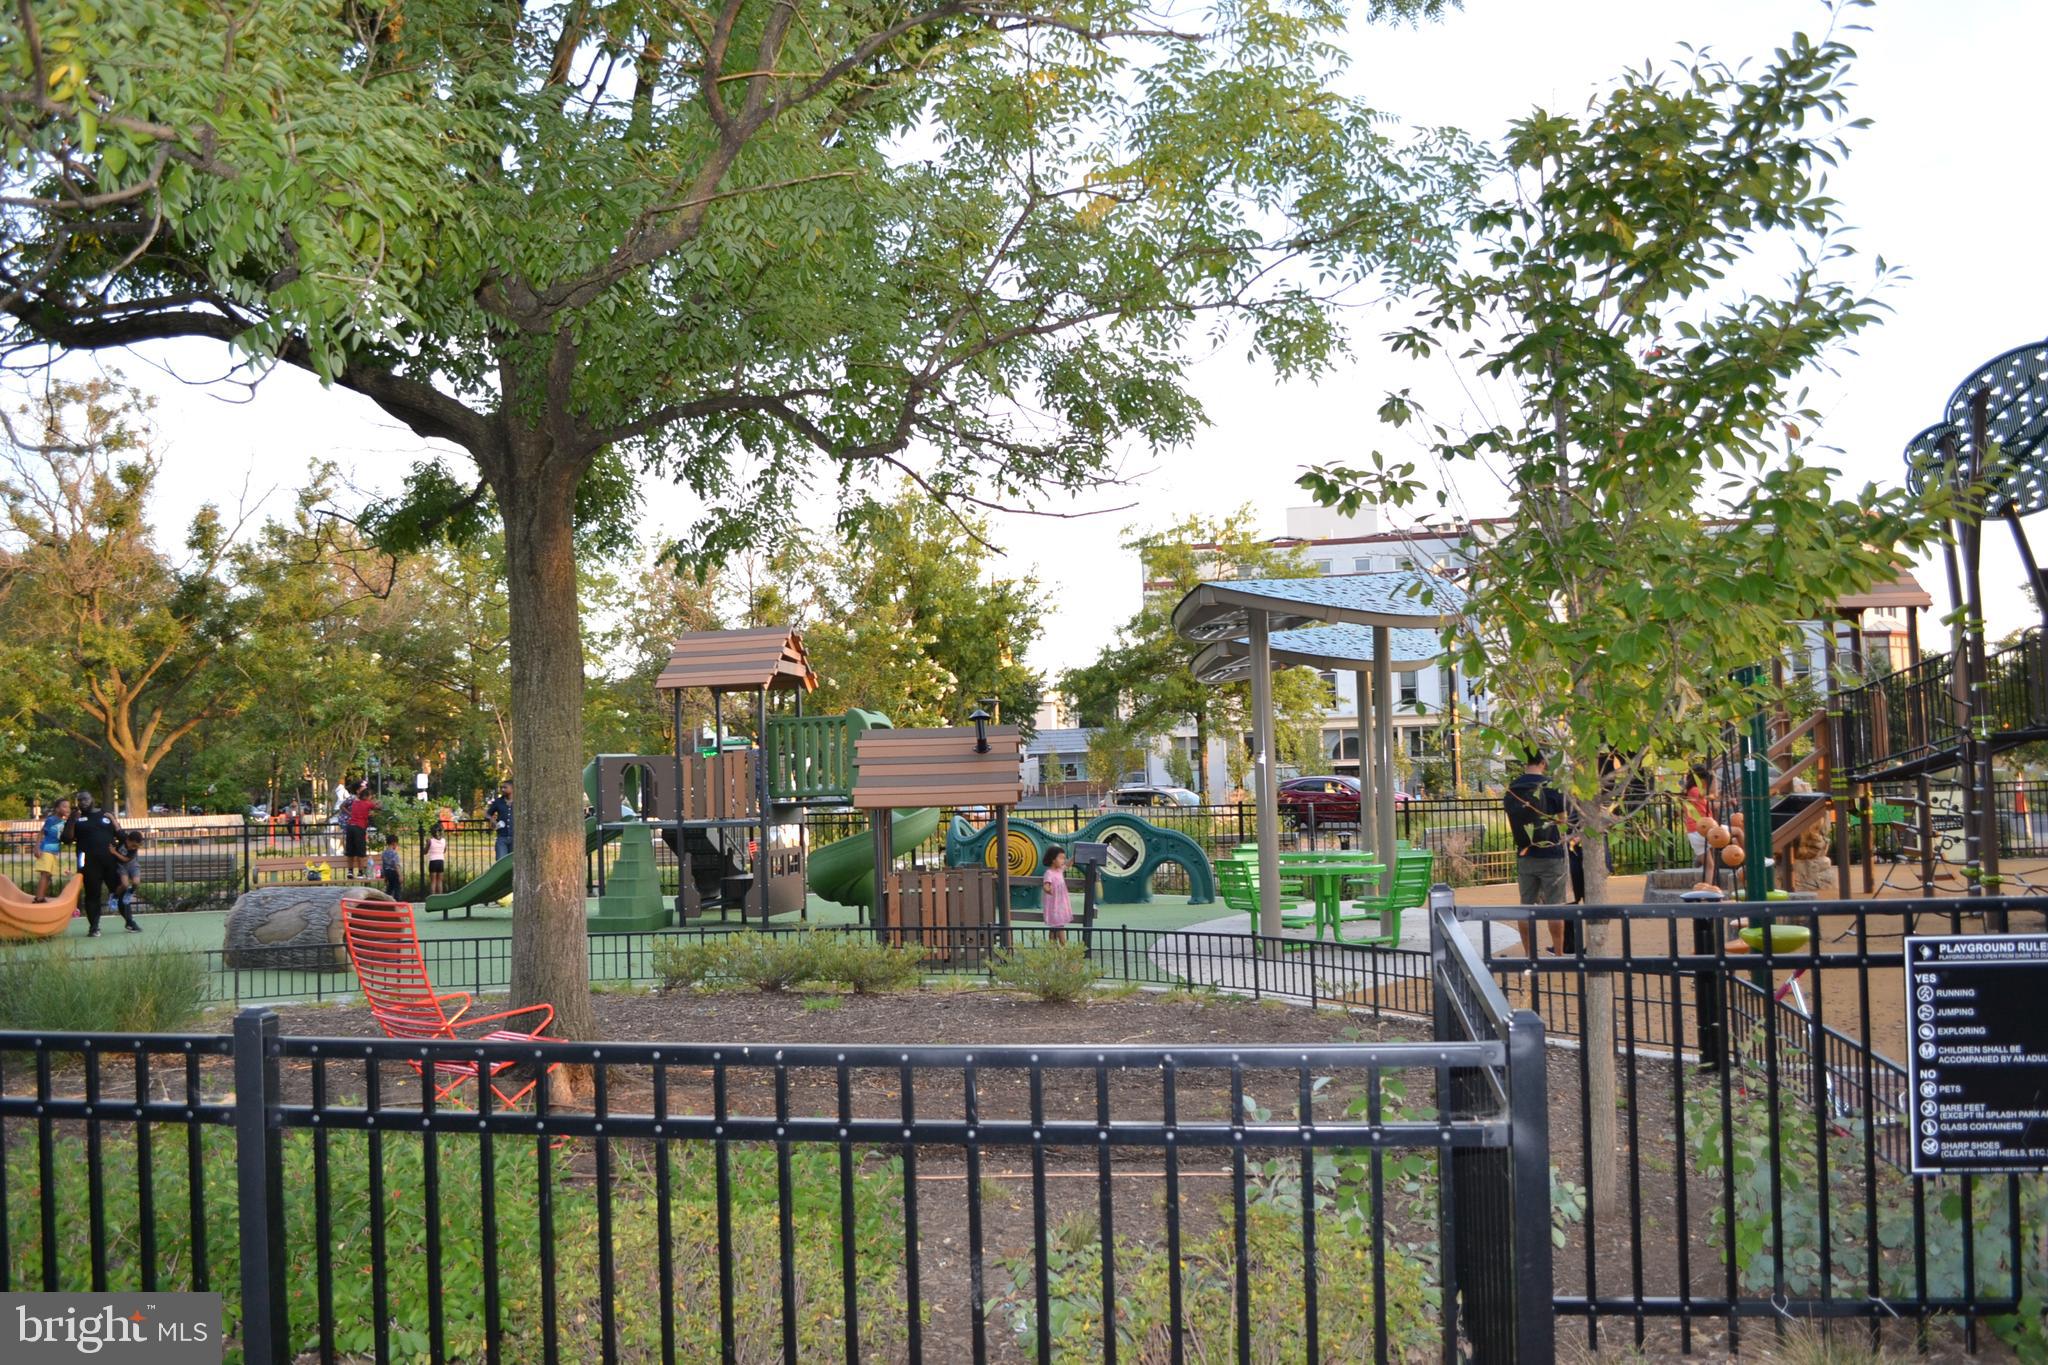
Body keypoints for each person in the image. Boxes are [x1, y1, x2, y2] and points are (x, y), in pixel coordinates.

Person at [1503, 751, 1568, 956]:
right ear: (1543, 762)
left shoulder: (1513, 788)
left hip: (1525, 852)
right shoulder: (1550, 786)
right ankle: (1558, 953)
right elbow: (1563, 820)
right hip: (1551, 852)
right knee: (1555, 906)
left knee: (1525, 906)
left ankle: (1530, 954)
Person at [66, 791, 131, 937]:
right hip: (88, 863)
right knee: (92, 895)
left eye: (86, 799)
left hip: (109, 861)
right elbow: (66, 839)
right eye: (80, 800)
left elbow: (122, 837)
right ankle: (94, 927)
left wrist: (114, 822)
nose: (83, 802)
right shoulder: (76, 817)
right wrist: (71, 820)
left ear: (92, 799)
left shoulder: (105, 815)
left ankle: (130, 921)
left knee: (119, 890)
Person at [32, 796, 69, 901]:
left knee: (49, 875)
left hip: (54, 851)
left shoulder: (63, 822)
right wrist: (37, 847)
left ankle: (42, 896)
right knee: (45, 874)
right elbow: (42, 832)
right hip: (46, 849)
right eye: (64, 807)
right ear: (57, 809)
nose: (67, 809)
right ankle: (39, 897)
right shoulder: (52, 819)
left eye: (68, 807)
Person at [109, 831, 143, 928]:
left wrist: (114, 852)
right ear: (127, 840)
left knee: (136, 882)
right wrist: (112, 818)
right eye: (132, 845)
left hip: (132, 865)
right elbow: (117, 828)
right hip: (122, 867)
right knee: (124, 884)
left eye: (136, 846)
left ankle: (130, 892)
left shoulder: (133, 850)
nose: (134, 848)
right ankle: (114, 896)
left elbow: (126, 859)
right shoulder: (123, 838)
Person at [344, 779, 377, 878]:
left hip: (350, 827)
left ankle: (350, 871)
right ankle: (360, 872)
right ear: (366, 796)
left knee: (350, 851)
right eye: (370, 796)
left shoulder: (355, 802)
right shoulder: (367, 803)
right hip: (359, 828)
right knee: (360, 851)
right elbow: (378, 807)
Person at [1682, 765, 1715, 866]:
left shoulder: (1690, 791)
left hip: (1695, 831)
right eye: (1705, 780)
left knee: (1710, 866)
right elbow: (1712, 796)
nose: (1706, 783)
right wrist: (1714, 778)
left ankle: (1698, 862)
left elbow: (1710, 802)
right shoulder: (1694, 790)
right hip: (1701, 829)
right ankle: (1751, 860)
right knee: (1737, 832)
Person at [1040, 845, 1073, 943]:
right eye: (1061, 858)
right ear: (1053, 859)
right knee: (1059, 926)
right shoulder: (1049, 873)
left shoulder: (1059, 870)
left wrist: (1076, 855)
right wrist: (1047, 889)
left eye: (1064, 858)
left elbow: (1069, 864)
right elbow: (1046, 884)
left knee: (1054, 928)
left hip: (1061, 903)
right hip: (1054, 905)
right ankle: (1063, 948)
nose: (1063, 860)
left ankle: (1053, 948)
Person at [486, 781, 514, 861]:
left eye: (505, 787)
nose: (502, 789)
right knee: (501, 862)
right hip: (502, 838)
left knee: (514, 863)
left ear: (512, 788)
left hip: (516, 838)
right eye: (502, 787)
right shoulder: (498, 801)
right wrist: (492, 820)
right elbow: (487, 813)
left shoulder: (519, 801)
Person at [380, 831, 404, 899]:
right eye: (396, 844)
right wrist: (400, 875)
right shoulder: (394, 853)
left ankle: (387, 901)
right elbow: (396, 865)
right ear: (394, 843)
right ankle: (397, 902)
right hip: (394, 872)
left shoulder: (384, 853)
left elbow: (383, 865)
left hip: (387, 872)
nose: (396, 846)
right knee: (397, 888)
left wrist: (384, 875)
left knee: (390, 887)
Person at [426, 827, 448, 897]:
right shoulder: (444, 840)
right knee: (440, 881)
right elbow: (444, 851)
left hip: (433, 861)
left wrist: (426, 844)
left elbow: (425, 852)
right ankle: (440, 898)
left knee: (433, 881)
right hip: (441, 861)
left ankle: (432, 898)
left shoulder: (430, 841)